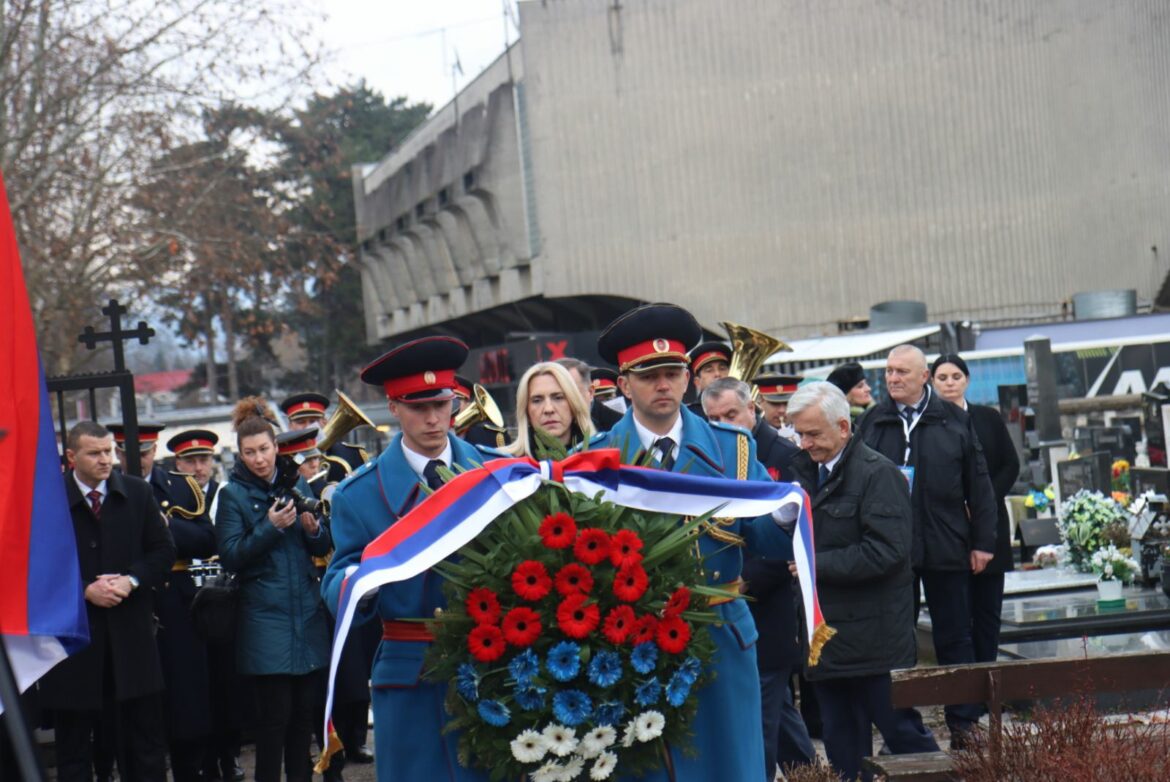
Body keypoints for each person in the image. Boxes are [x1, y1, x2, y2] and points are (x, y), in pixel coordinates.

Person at [588, 303, 797, 782]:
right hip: (634, 639)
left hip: (721, 632)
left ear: (687, 378)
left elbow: (765, 541)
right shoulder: (596, 458)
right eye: (648, 375)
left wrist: (785, 515)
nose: (663, 385)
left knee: (732, 766)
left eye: (672, 372)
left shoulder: (733, 447)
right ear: (623, 384)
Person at [321, 336, 494, 782]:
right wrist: (362, 581)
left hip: (489, 663)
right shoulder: (357, 494)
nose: (435, 418)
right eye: (419, 407)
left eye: (443, 403)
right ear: (393, 407)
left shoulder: (497, 475)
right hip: (410, 672)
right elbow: (339, 578)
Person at [786, 383, 939, 782]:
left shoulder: (877, 473)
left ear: (842, 426)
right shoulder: (803, 472)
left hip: (875, 640)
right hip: (829, 638)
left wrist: (813, 565)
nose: (804, 443)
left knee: (904, 737)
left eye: (813, 434)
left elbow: (888, 552)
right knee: (843, 751)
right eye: (799, 433)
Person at [855, 345, 997, 746]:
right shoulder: (874, 423)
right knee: (896, 640)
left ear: (924, 376)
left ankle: (965, 724)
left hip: (945, 543)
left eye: (902, 371)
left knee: (955, 637)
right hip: (890, 551)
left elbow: (979, 483)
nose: (893, 378)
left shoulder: (952, 420)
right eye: (888, 372)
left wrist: (982, 542)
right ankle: (900, 727)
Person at [40, 421, 176, 782]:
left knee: (144, 747)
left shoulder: (136, 493)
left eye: (110, 452)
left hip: (131, 640)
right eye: (95, 453)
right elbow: (34, 566)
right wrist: (85, 589)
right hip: (74, 645)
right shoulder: (46, 499)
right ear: (71, 457)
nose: (106, 460)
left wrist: (130, 580)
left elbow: (162, 551)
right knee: (74, 751)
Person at [700, 377, 813, 777]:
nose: (723, 425)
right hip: (727, 602)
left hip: (767, 600)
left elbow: (784, 532)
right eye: (713, 418)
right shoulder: (707, 453)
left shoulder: (781, 453)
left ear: (753, 409)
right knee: (776, 713)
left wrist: (744, 581)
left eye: (731, 415)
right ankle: (809, 772)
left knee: (763, 722)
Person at [216, 398, 333, 782]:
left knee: (303, 717)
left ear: (276, 446)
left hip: (305, 611)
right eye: (249, 453)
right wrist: (269, 526)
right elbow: (230, 556)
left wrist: (314, 530)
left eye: (264, 449)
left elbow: (317, 545)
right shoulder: (232, 495)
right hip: (264, 616)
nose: (259, 459)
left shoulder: (295, 481)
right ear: (240, 454)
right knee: (273, 720)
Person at [931, 353, 1021, 664]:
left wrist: (982, 500)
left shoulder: (987, 418)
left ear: (967, 380)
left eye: (956, 376)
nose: (950, 383)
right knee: (958, 615)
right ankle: (966, 685)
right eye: (942, 378)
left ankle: (989, 675)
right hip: (949, 529)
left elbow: (1010, 465)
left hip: (989, 521)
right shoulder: (930, 422)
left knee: (988, 610)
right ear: (932, 383)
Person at [169, 429, 245, 782]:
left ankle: (229, 755)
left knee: (227, 684)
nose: (199, 467)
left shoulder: (225, 494)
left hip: (225, 599)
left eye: (205, 459)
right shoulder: (174, 498)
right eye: (190, 460)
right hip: (189, 600)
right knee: (195, 688)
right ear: (177, 464)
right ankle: (201, 760)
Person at [152, 432, 218, 782]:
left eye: (149, 449)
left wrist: (166, 526)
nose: (198, 467)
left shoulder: (178, 488)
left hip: (177, 600)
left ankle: (194, 767)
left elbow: (207, 539)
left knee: (188, 695)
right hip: (136, 598)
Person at [108, 421, 205, 519]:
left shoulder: (181, 486)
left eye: (143, 454)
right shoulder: (106, 487)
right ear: (117, 452)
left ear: (154, 450)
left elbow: (206, 531)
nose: (137, 460)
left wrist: (166, 524)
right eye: (129, 455)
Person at [508, 361, 594, 457]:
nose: (548, 409)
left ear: (573, 403)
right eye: (537, 400)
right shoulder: (506, 465)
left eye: (558, 398)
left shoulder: (602, 455)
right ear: (526, 410)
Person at [280, 392, 370, 482]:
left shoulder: (351, 455)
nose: (307, 427)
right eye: (301, 422)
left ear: (324, 422)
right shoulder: (281, 459)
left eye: (313, 421)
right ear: (290, 426)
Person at [556, 356, 623, 432]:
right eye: (557, 397)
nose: (549, 408)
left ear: (590, 392)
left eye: (572, 393)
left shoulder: (619, 427)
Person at [453, 374, 510, 448]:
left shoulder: (493, 437)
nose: (450, 406)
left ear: (468, 404)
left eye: (455, 400)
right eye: (441, 403)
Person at [686, 340, 732, 418]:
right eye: (709, 370)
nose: (717, 374)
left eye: (722, 368)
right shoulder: (690, 415)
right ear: (697, 382)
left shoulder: (744, 409)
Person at [752, 373, 803, 444]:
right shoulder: (752, 436)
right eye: (774, 404)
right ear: (761, 401)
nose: (781, 410)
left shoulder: (806, 432)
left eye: (786, 403)